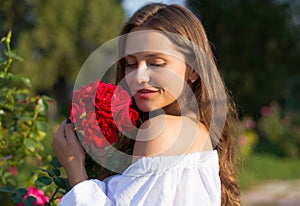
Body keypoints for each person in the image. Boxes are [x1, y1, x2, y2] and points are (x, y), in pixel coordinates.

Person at [52, 3, 241, 206]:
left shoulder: (161, 131)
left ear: (193, 69)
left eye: (156, 63)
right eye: (131, 63)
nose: (138, 76)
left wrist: (76, 171)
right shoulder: (198, 131)